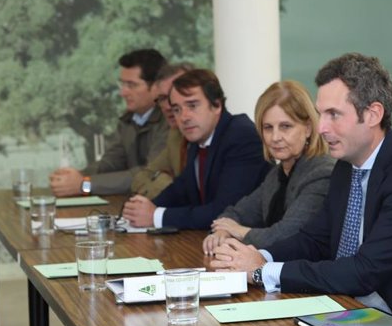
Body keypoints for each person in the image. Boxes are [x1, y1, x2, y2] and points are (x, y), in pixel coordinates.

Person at [210, 52, 392, 323]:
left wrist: (262, 272)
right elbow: (314, 240)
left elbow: (363, 272)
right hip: (352, 307)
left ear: (373, 114)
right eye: (320, 114)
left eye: (333, 115)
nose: (322, 127)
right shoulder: (346, 166)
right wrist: (255, 256)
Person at [122, 69, 269, 230]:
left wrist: (156, 215)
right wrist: (144, 208)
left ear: (217, 105)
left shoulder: (241, 136)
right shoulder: (198, 138)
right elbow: (181, 189)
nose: (184, 117)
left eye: (192, 105)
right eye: (177, 109)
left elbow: (225, 212)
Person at [202, 80, 335, 251]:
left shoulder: (321, 172)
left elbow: (287, 235)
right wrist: (222, 232)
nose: (275, 137)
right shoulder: (277, 174)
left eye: (285, 126)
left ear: (308, 128)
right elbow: (235, 213)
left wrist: (240, 231)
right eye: (268, 128)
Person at [49, 48, 169, 196]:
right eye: (122, 84)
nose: (123, 92)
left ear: (157, 87)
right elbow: (111, 163)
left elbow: (149, 175)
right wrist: (72, 178)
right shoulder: (128, 120)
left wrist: (84, 185)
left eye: (131, 85)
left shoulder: (171, 121)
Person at [131, 62, 194, 199]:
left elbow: (188, 197)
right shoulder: (175, 135)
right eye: (162, 99)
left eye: (174, 95)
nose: (166, 106)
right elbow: (141, 178)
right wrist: (166, 183)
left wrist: (164, 182)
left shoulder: (230, 134)